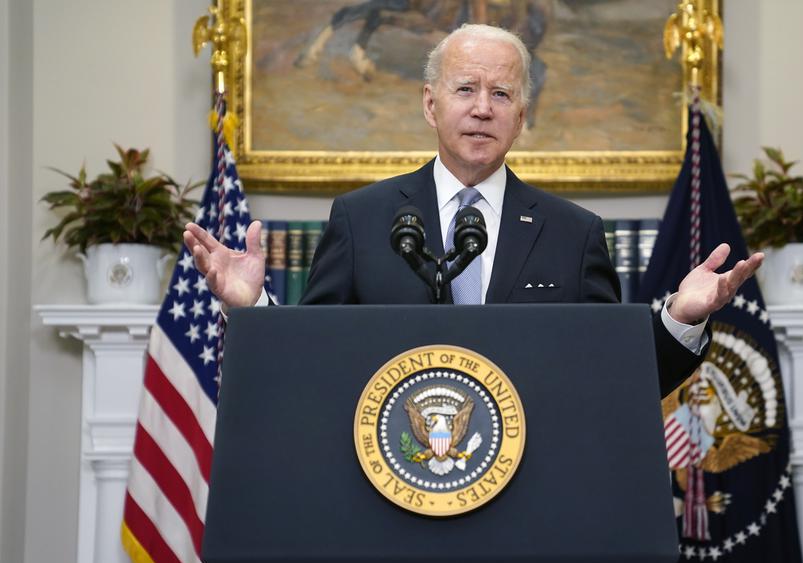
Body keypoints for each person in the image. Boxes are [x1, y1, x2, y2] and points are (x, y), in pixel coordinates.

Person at [183, 24, 763, 396]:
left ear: (521, 118)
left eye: (502, 94)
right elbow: (313, 368)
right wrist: (252, 306)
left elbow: (612, 380)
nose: (483, 109)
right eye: (466, 90)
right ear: (431, 106)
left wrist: (680, 319)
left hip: (528, 503)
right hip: (388, 499)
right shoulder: (362, 219)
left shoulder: (573, 233)